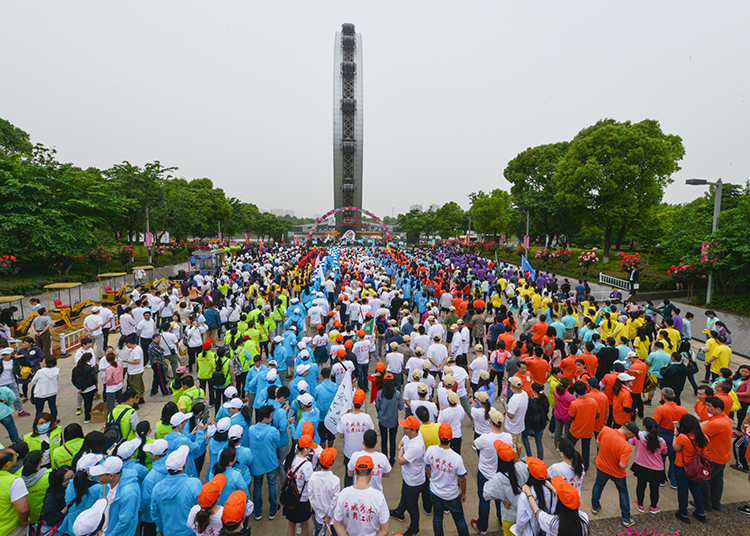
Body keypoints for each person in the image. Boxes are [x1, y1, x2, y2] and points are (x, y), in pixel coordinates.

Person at [590, 421, 638, 528]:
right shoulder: (625, 446)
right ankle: (626, 518)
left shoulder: (606, 430)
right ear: (629, 433)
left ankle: (595, 507)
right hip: (617, 473)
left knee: (598, 485)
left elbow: (597, 442)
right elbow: (622, 465)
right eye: (633, 436)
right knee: (623, 492)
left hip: (602, 467)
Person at [151, 445, 203, 536]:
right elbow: (202, 509)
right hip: (191, 533)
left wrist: (159, 528)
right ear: (185, 465)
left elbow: (155, 512)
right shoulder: (194, 484)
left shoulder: (157, 488)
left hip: (168, 532)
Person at [333, 455, 390, 536]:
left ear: (355, 472)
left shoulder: (344, 494)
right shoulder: (378, 497)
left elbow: (337, 524)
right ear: (371, 472)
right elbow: (385, 530)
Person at [482, 440, 528, 536]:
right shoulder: (521, 467)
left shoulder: (498, 478)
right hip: (525, 514)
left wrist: (502, 498)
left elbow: (486, 494)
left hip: (510, 516)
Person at [389, 415, 425, 536]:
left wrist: (400, 449)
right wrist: (401, 446)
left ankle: (415, 528)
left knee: (412, 506)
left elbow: (400, 461)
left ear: (413, 430)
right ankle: (399, 512)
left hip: (414, 481)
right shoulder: (410, 435)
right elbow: (402, 441)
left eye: (406, 428)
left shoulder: (416, 446)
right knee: (404, 495)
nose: (403, 429)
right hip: (408, 477)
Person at [522, 475, 589, 536]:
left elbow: (537, 512)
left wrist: (528, 493)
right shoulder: (584, 518)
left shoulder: (553, 523)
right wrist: (553, 489)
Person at [89, 456, 141, 536]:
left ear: (111, 476)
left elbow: (124, 522)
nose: (97, 477)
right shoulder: (106, 485)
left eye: (100, 474)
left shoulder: (128, 493)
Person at [673, 414, 708, 524]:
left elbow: (675, 447)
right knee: (696, 489)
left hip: (682, 466)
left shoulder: (683, 437)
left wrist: (675, 434)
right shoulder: (703, 436)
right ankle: (700, 512)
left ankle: (683, 513)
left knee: (683, 490)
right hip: (696, 467)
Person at [700, 396, 732, 513]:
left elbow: (700, 431)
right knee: (717, 480)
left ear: (718, 409)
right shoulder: (724, 419)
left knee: (704, 480)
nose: (706, 408)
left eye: (709, 406)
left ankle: (705, 504)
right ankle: (715, 503)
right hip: (722, 456)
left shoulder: (717, 423)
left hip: (713, 457)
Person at [248, 405, 281, 520]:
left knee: (257, 486)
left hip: (256, 463)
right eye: (271, 417)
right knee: (272, 485)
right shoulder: (272, 430)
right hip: (270, 462)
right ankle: (273, 509)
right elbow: (278, 441)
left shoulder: (251, 429)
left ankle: (257, 512)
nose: (272, 418)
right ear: (265, 419)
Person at [629, 417, 667, 514]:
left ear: (645, 426)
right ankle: (653, 507)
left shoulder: (639, 436)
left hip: (641, 466)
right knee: (654, 489)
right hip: (656, 469)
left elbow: (632, 442)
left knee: (641, 485)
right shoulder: (661, 441)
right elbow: (664, 451)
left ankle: (640, 504)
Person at [337, 389, 373, 488]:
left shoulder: (345, 418)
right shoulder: (367, 418)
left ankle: (348, 490)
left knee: (348, 474)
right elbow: (371, 432)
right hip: (363, 452)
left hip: (349, 451)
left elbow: (341, 435)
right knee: (363, 475)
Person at [283, 434, 315, 536]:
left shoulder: (290, 458)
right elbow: (310, 485)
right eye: (310, 448)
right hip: (302, 499)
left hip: (290, 497)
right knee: (305, 524)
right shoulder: (307, 465)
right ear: (305, 449)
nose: (311, 450)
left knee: (291, 524)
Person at [307, 448, 340, 536]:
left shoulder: (313, 478)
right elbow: (335, 500)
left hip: (319, 516)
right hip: (332, 516)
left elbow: (311, 497)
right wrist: (329, 515)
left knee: (319, 532)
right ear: (332, 463)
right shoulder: (335, 480)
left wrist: (320, 513)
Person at [567, 381, 598, 471]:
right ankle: (585, 467)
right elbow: (597, 415)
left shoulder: (574, 403)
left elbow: (571, 416)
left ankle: (570, 463)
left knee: (569, 448)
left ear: (576, 392)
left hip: (575, 430)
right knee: (586, 450)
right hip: (588, 430)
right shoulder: (593, 402)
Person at [0, 448, 31, 536]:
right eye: (15, 456)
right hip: (10, 530)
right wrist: (24, 521)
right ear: (8, 464)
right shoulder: (14, 481)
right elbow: (23, 510)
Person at [375, 374, 402, 465]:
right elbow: (401, 407)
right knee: (392, 440)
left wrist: (380, 414)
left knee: (384, 440)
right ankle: (392, 459)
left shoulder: (380, 394)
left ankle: (384, 457)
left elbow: (377, 406)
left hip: (383, 421)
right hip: (394, 421)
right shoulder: (397, 394)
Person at [40, 464, 74, 536]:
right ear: (60, 482)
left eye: (72, 476)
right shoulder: (51, 498)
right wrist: (68, 506)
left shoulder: (73, 489)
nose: (71, 481)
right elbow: (51, 521)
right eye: (67, 479)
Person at [503, 376, 528, 460]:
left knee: (513, 447)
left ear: (512, 386)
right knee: (518, 444)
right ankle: (518, 458)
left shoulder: (514, 399)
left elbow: (511, 415)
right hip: (520, 424)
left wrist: (506, 407)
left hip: (512, 427)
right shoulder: (524, 394)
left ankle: (515, 462)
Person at [71, 355, 97, 424]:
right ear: (88, 360)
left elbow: (73, 380)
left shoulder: (75, 369)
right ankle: (87, 418)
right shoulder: (89, 369)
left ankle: (87, 417)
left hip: (80, 390)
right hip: (89, 389)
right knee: (88, 404)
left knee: (86, 402)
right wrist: (83, 388)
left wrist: (79, 388)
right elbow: (91, 380)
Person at [124, 337, 145, 406]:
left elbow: (137, 361)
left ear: (129, 343)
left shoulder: (135, 351)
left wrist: (127, 361)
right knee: (140, 385)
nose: (126, 346)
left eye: (126, 344)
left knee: (135, 387)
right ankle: (141, 399)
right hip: (138, 370)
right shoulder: (138, 348)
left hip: (135, 371)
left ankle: (136, 403)